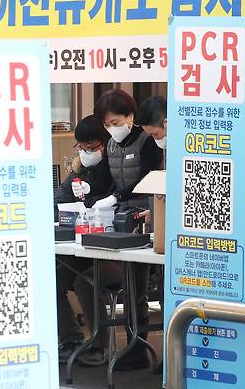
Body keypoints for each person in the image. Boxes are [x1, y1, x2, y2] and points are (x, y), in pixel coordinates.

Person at [71, 89, 163, 370]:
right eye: (108, 125)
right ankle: (133, 349)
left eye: (116, 122)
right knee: (128, 283)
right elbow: (107, 180)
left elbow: (148, 179)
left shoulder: (148, 142)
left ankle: (139, 348)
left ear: (130, 116)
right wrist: (89, 192)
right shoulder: (111, 145)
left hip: (148, 218)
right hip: (119, 222)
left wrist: (117, 197)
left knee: (140, 286)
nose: (113, 129)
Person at [55, 115, 113, 364]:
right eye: (83, 147)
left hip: (111, 251)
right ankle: (71, 339)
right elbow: (60, 198)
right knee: (51, 277)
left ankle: (100, 347)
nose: (87, 152)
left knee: (85, 281)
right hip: (82, 246)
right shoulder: (80, 168)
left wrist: (91, 205)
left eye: (93, 147)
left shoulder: (114, 167)